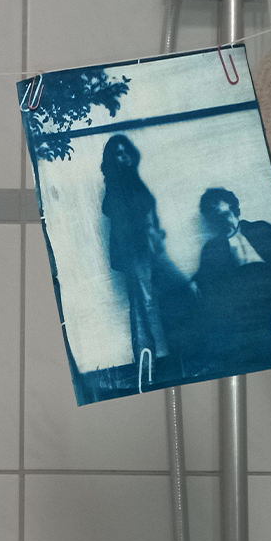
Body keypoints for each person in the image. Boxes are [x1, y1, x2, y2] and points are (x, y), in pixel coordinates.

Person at [190, 187, 271, 363]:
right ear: (212, 220)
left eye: (226, 213)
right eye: (217, 216)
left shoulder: (261, 229)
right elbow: (207, 278)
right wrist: (194, 281)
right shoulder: (213, 247)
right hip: (245, 303)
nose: (225, 220)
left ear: (234, 208)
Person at [100, 134, 169, 371]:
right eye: (118, 154)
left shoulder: (133, 180)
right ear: (112, 160)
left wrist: (155, 236)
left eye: (125, 151)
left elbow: (147, 214)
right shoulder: (117, 186)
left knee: (148, 302)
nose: (124, 157)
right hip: (136, 252)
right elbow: (123, 224)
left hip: (149, 250)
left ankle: (149, 362)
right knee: (144, 304)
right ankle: (146, 365)